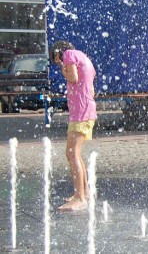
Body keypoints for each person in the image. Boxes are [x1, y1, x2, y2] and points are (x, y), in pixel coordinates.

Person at [50, 40, 97, 211]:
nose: (58, 62)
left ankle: (80, 198)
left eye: (56, 59)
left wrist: (64, 70)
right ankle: (84, 192)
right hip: (85, 111)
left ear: (58, 52)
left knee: (71, 153)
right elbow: (90, 88)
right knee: (73, 153)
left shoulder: (69, 55)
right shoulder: (84, 57)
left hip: (81, 113)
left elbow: (73, 78)